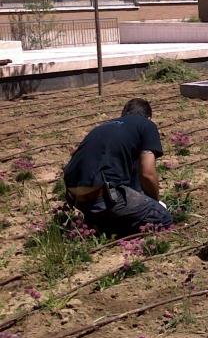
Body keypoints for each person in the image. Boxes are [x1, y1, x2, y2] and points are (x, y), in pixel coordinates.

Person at [63, 98, 173, 236]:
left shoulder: (104, 127)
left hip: (75, 197)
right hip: (103, 196)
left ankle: (95, 223)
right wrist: (155, 202)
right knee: (163, 217)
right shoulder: (146, 125)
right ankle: (107, 229)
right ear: (149, 117)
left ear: (123, 114)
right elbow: (147, 173)